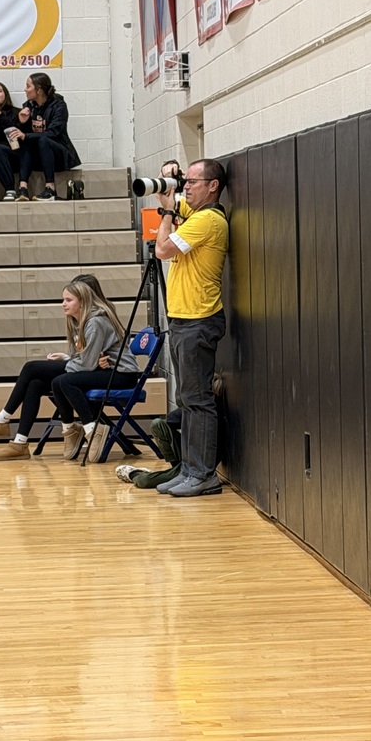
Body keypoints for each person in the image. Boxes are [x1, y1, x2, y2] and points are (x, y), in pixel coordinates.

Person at [0, 276, 140, 461]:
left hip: (120, 374)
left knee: (35, 369)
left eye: (68, 300)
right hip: (100, 370)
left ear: (82, 302)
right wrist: (67, 358)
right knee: (35, 383)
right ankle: (19, 442)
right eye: (63, 300)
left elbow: (86, 363)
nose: (63, 304)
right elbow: (85, 357)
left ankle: (3, 420)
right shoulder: (77, 321)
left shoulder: (95, 322)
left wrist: (68, 363)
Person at [153, 159, 229, 497]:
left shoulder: (208, 221)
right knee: (186, 399)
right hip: (183, 319)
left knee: (198, 401)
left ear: (212, 185)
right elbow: (169, 200)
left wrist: (168, 214)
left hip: (200, 319)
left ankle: (203, 474)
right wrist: (166, 189)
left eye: (193, 182)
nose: (187, 187)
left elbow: (163, 249)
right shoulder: (195, 215)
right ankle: (188, 468)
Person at [13, 72, 80, 201]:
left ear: (38, 89)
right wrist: (22, 122)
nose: (25, 90)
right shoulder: (28, 106)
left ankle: (50, 188)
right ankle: (23, 188)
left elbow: (54, 133)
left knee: (42, 140)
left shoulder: (59, 106)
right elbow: (24, 135)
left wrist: (25, 135)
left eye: (28, 86)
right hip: (38, 156)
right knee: (26, 141)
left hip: (58, 153)